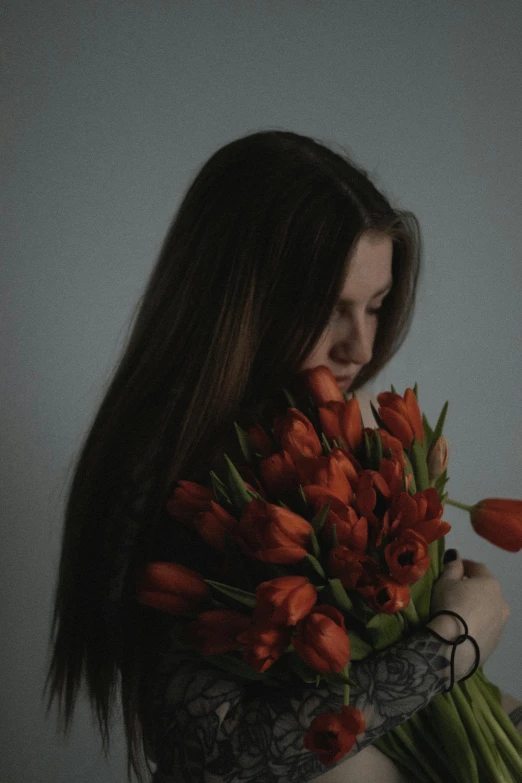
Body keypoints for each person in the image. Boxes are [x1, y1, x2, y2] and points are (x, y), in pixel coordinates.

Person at [45, 130, 521, 782]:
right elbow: (220, 751)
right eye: (330, 309)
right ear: (238, 302)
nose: (359, 345)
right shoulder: (166, 482)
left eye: (375, 307)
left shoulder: (335, 449)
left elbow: (403, 703)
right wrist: (452, 641)